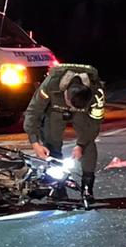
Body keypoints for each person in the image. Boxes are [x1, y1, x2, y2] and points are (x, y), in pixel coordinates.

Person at [22, 62, 106, 202]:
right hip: (55, 109)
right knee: (51, 139)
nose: (71, 108)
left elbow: (95, 123)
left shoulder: (97, 93)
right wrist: (35, 142)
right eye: (70, 104)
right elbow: (33, 112)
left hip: (83, 113)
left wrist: (81, 144)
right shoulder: (50, 85)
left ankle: (87, 187)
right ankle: (57, 186)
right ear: (66, 94)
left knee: (88, 142)